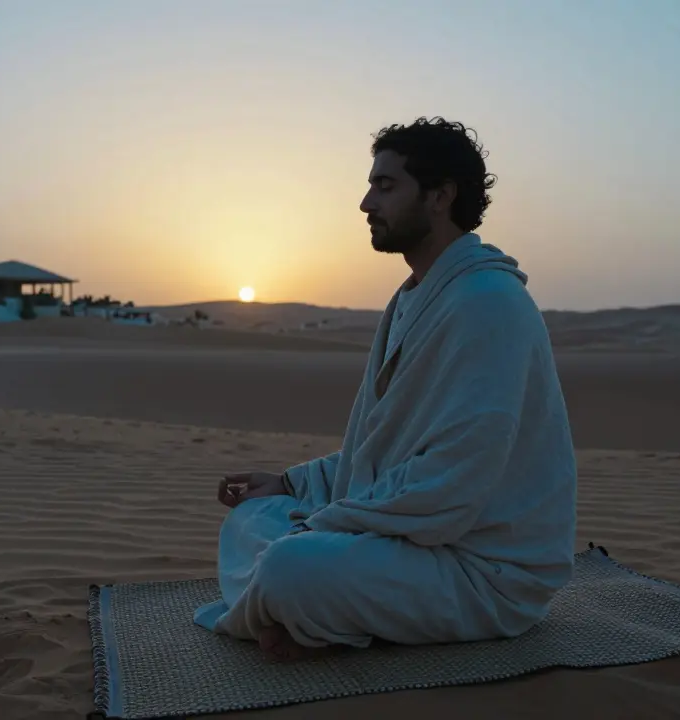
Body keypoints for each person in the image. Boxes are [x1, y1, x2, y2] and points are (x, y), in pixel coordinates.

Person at [193, 117, 577, 662]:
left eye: (386, 186)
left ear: (441, 195)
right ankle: (298, 619)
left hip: (480, 570)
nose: (365, 203)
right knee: (250, 519)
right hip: (410, 543)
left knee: (290, 567)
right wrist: (288, 484)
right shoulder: (412, 299)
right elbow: (380, 452)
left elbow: (452, 478)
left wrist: (315, 525)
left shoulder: (488, 303)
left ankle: (298, 615)